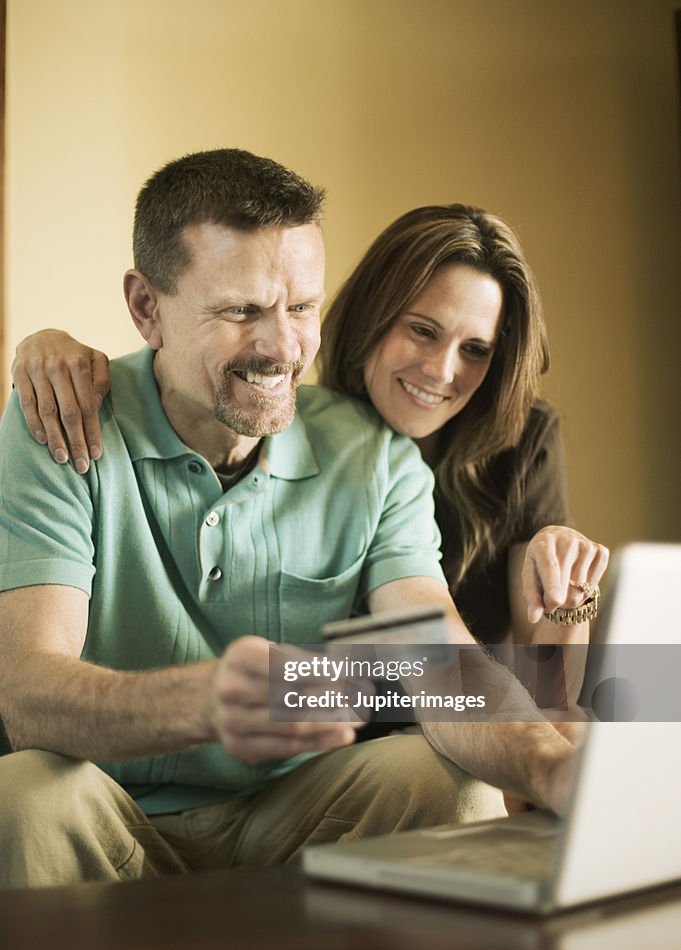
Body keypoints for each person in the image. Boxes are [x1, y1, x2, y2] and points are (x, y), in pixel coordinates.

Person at [0, 148, 576, 891]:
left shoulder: (375, 452)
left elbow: (437, 655)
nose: (280, 348)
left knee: (446, 779)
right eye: (240, 310)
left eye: (300, 307)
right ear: (148, 308)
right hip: (112, 810)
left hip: (295, 811)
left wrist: (549, 760)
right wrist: (200, 701)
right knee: (23, 797)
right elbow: (26, 694)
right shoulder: (62, 417)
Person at [13, 205, 608, 649]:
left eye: (477, 348)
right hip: (331, 732)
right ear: (374, 314)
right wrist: (44, 344)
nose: (442, 371)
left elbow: (552, 692)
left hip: (460, 715)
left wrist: (568, 602)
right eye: (423, 331)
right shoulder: (287, 405)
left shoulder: (519, 442)